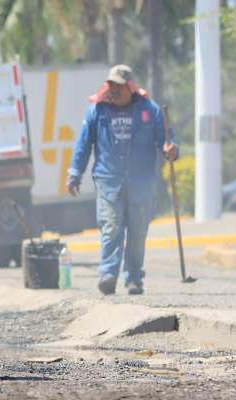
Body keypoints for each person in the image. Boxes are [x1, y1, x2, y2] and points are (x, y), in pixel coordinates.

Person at [68, 65, 178, 296]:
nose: (114, 90)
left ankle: (134, 278)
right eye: (111, 85)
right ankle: (108, 274)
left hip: (141, 183)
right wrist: (75, 173)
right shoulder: (97, 111)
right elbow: (83, 145)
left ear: (130, 86)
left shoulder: (151, 110)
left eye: (119, 85)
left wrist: (170, 149)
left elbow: (166, 140)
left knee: (137, 232)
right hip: (108, 181)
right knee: (111, 227)